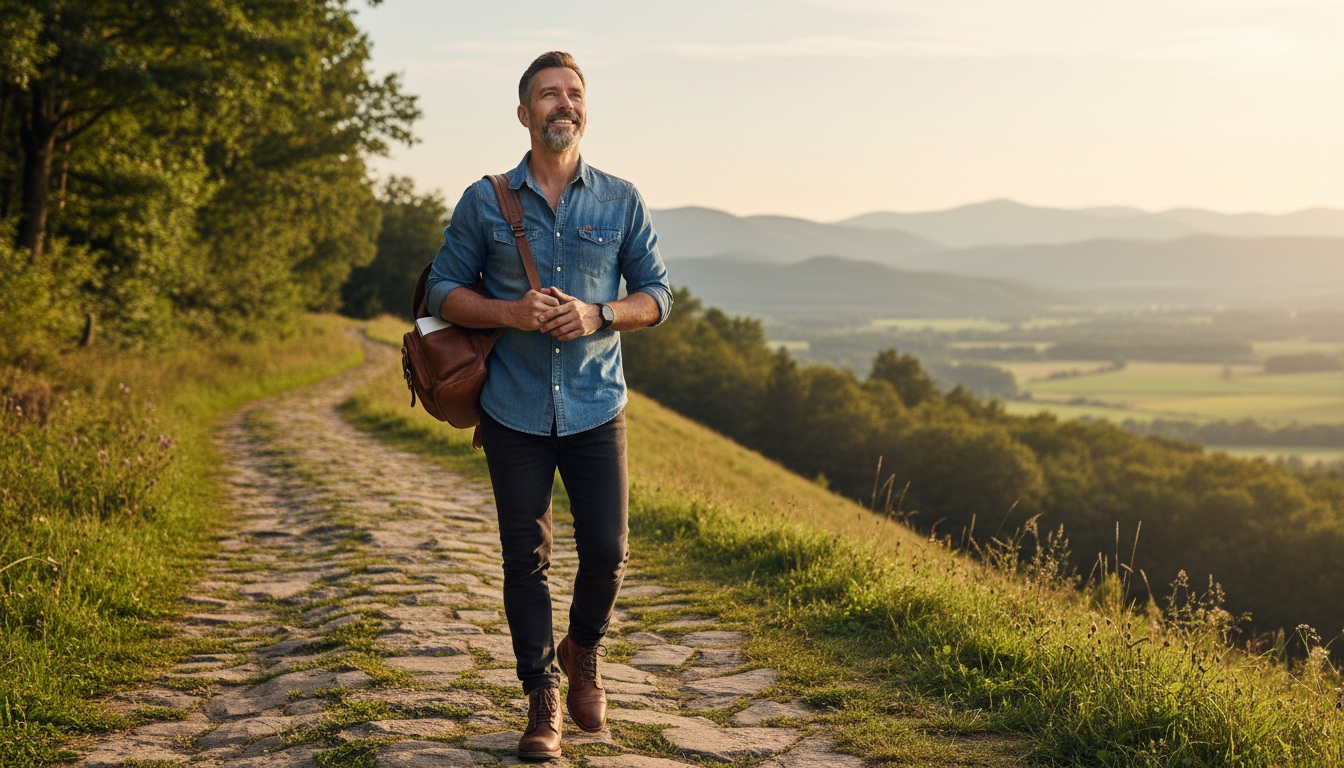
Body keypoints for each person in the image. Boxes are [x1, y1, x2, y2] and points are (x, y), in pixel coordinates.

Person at [424, 51, 672, 762]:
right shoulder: (486, 199)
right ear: (525, 113)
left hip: (598, 406)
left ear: (583, 109)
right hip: (514, 408)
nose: (562, 104)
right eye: (547, 95)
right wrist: (511, 312)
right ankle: (542, 700)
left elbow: (657, 295)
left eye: (573, 94)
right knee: (523, 560)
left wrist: (601, 314)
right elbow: (442, 289)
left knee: (608, 551)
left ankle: (582, 650)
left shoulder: (620, 199)